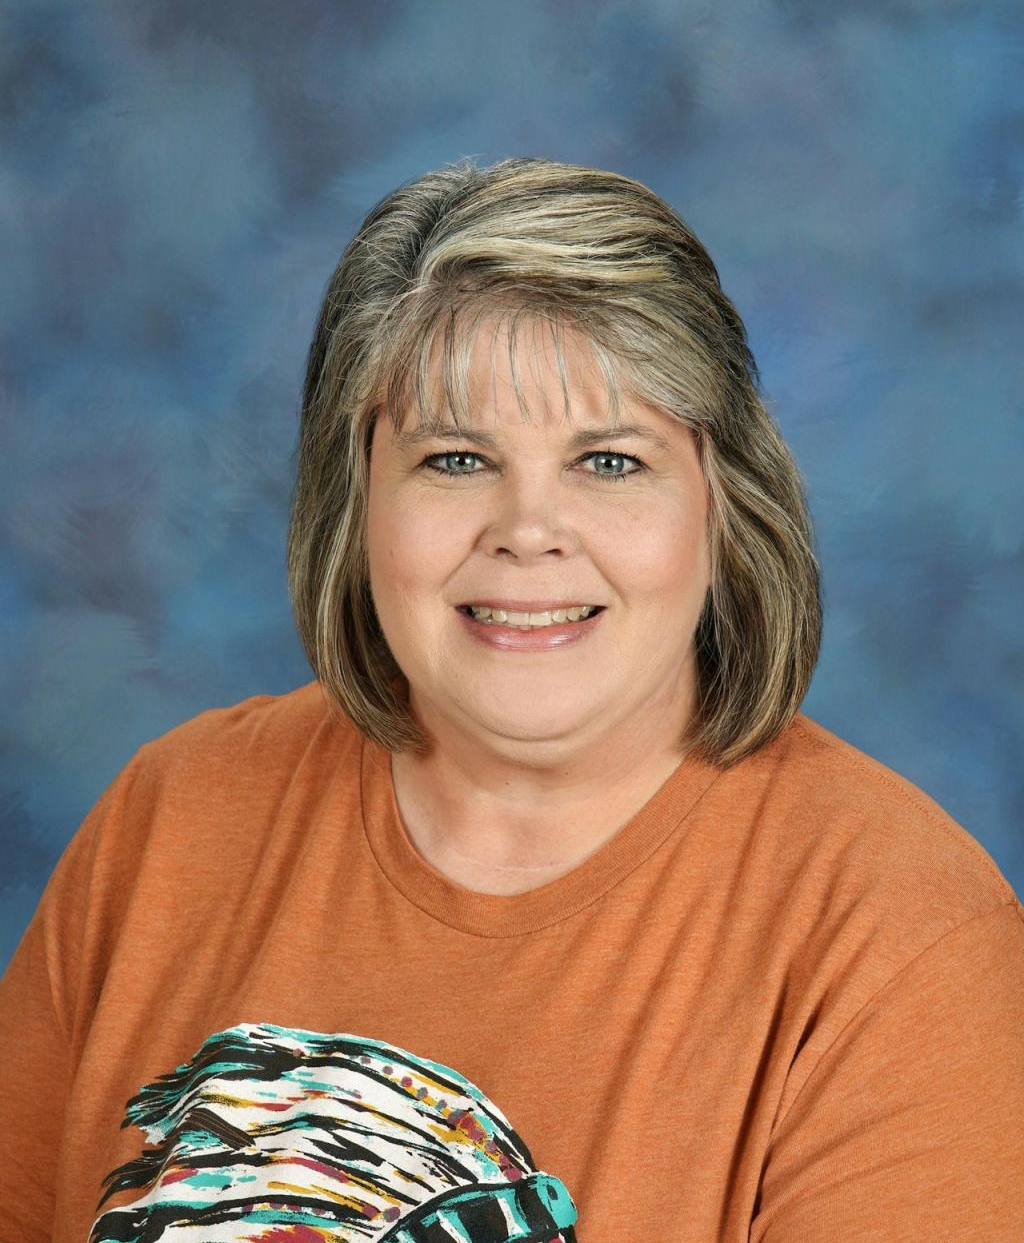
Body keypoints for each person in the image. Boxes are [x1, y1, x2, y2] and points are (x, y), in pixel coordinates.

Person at [1, 156, 1021, 1243]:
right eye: (455, 458)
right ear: (359, 495)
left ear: (722, 503)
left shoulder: (900, 940)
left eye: (610, 461)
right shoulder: (167, 823)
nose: (528, 530)